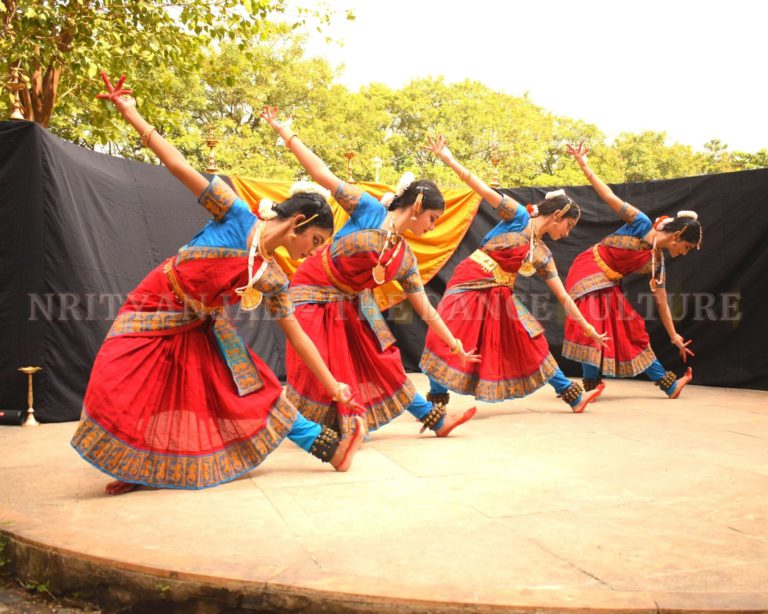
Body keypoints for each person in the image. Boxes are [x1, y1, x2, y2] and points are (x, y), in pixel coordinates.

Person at [71, 73, 364, 495]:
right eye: (315, 241)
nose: (312, 253)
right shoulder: (234, 212)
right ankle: (138, 465)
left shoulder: (273, 277)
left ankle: (331, 448)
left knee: (257, 388)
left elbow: (298, 336)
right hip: (155, 302)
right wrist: (131, 112)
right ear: (299, 222)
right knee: (118, 381)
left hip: (201, 324)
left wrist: (334, 386)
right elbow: (179, 165)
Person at [261, 107, 480, 438]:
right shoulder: (368, 209)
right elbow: (321, 173)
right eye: (432, 218)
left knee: (383, 357)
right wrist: (285, 133)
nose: (432, 226)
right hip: (312, 288)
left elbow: (426, 308)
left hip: (353, 300)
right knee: (313, 364)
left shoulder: (405, 258)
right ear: (417, 205)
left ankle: (436, 420)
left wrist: (454, 344)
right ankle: (308, 429)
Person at [419, 137, 608, 413]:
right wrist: (448, 158)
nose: (567, 234)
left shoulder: (542, 253)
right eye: (568, 226)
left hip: (500, 293)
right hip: (469, 281)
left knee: (531, 338)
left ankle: (572, 396)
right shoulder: (518, 216)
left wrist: (588, 328)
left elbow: (563, 296)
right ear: (557, 215)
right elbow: (482, 188)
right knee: (447, 335)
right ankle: (436, 402)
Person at [561, 142, 699, 397]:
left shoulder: (658, 262)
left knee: (630, 327)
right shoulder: (640, 223)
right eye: (687, 247)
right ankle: (592, 385)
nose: (684, 252)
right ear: (677, 235)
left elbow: (662, 303)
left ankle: (665, 385)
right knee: (593, 322)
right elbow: (609, 197)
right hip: (588, 267)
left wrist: (674, 336)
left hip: (607, 281)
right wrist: (585, 166)